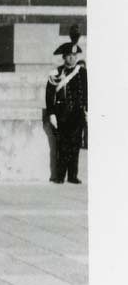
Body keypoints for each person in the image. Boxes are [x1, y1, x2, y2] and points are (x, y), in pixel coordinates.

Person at [45, 35, 88, 184]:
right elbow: (49, 95)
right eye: (69, 56)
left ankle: (72, 176)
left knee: (75, 146)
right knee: (62, 146)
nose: (72, 58)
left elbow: (86, 92)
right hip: (62, 115)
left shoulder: (82, 72)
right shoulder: (56, 73)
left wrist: (87, 111)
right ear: (64, 57)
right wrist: (51, 113)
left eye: (74, 55)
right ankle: (59, 176)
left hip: (77, 115)